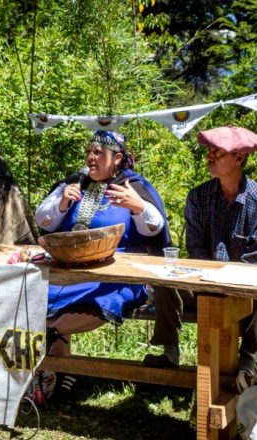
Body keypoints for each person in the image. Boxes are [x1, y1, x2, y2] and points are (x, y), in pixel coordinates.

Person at [34, 129, 171, 397]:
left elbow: (156, 229)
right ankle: (63, 368)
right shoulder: (74, 183)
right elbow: (43, 221)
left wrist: (138, 207)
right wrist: (62, 204)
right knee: (41, 293)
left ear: (117, 158)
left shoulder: (134, 186)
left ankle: (55, 355)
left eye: (98, 153)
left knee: (99, 297)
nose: (91, 158)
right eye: (89, 152)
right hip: (73, 269)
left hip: (118, 273)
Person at [145, 126, 257, 390]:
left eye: (218, 151)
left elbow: (255, 263)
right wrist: (207, 278)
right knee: (165, 279)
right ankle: (169, 351)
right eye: (209, 150)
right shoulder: (198, 197)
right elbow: (196, 252)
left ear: (239, 157)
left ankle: (249, 362)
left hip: (243, 292)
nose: (210, 156)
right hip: (203, 282)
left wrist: (224, 280)